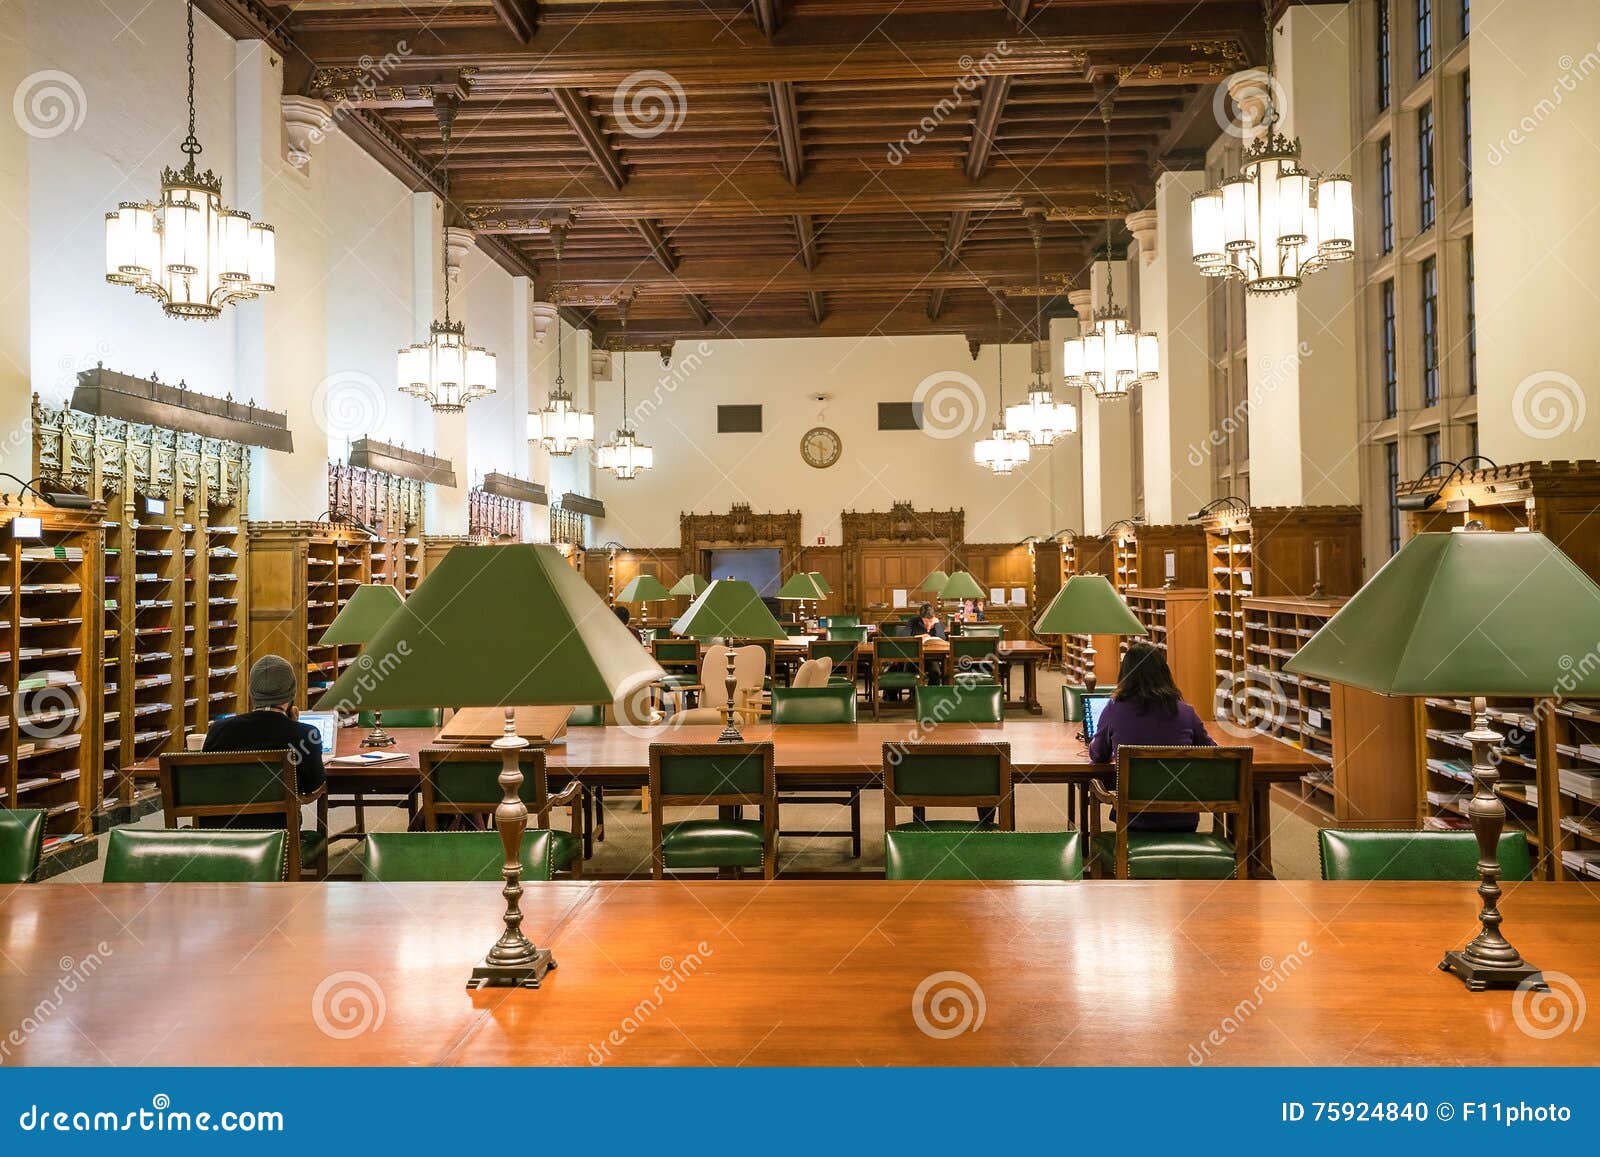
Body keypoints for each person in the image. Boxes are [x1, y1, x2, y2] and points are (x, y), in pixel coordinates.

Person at [1085, 642, 1214, 832]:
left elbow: (1098, 755)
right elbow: (1213, 752)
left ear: (1125, 674)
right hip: (1183, 820)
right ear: (1164, 673)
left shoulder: (1115, 709)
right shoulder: (1186, 712)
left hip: (1134, 820)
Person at [203, 654, 326, 795]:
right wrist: (295, 726)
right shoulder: (305, 734)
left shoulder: (218, 730)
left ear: (251, 692)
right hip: (277, 817)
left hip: (222, 817)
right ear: (292, 692)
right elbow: (314, 786)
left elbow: (205, 781)